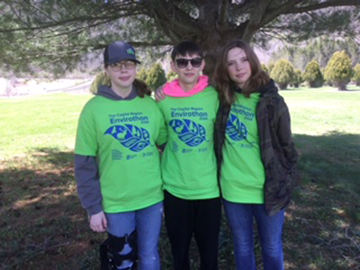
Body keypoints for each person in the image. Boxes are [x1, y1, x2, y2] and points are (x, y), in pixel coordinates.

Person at [74, 41, 167, 270]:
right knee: (122, 261)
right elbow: (84, 164)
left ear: (136, 68)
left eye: (129, 64)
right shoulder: (93, 109)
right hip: (116, 203)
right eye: (116, 65)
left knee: (149, 256)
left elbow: (167, 146)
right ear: (107, 70)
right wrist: (94, 208)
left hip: (151, 199)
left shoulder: (150, 105)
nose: (123, 70)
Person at [214, 39, 299, 270]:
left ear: (252, 62)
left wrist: (287, 181)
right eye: (231, 63)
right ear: (226, 70)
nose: (239, 67)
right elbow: (190, 87)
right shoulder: (222, 100)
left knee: (271, 247)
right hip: (233, 189)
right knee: (242, 246)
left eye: (243, 60)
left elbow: (287, 147)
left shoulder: (272, 102)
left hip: (268, 190)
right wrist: (162, 90)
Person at [156, 41, 221, 270]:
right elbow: (161, 138)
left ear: (202, 64)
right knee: (179, 255)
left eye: (194, 61)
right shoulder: (163, 99)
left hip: (208, 189)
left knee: (209, 256)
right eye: (182, 62)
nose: (189, 67)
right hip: (175, 189)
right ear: (173, 65)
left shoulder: (214, 96)